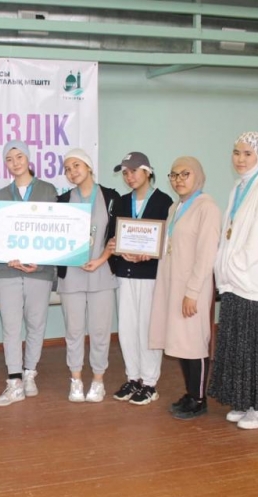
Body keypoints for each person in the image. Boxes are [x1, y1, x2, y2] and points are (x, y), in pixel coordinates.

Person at [209, 132, 258, 430]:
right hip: (235, 281)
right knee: (238, 345)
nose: (240, 159)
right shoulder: (240, 185)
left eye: (247, 153)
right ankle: (244, 401)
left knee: (257, 348)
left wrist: (235, 265)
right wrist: (224, 267)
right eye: (236, 152)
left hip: (253, 282)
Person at [0, 140, 57, 406]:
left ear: (28, 158)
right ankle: (14, 381)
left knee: (36, 323)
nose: (15, 163)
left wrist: (42, 263)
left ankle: (29, 373)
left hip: (39, 270)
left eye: (19, 157)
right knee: (11, 326)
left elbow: (55, 230)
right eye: (9, 158)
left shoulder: (48, 191)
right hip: (8, 270)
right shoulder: (2, 195)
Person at [148, 157, 221, 419]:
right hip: (173, 286)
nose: (178, 180)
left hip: (193, 289)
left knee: (195, 343)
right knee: (181, 341)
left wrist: (192, 293)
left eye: (185, 174)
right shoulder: (175, 208)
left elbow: (206, 255)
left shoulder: (207, 208)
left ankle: (199, 399)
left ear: (197, 176)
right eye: (174, 175)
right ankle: (190, 394)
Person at [56, 148, 120, 403]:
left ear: (89, 166)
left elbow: (117, 237)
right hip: (71, 275)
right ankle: (76, 380)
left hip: (101, 273)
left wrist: (101, 259)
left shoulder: (111, 197)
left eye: (76, 165)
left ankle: (98, 380)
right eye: (67, 169)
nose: (72, 172)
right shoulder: (62, 201)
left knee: (100, 331)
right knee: (73, 331)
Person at [110, 151, 173, 405]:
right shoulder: (122, 202)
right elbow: (113, 237)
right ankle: (133, 377)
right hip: (124, 274)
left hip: (150, 275)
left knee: (148, 327)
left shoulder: (164, 201)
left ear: (147, 172)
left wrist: (152, 253)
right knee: (127, 328)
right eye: (125, 173)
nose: (129, 177)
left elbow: (167, 241)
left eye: (134, 171)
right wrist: (115, 246)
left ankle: (149, 383)